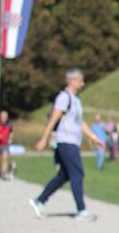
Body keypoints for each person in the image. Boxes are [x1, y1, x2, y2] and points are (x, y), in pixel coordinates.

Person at [30, 68, 106, 221]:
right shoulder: (64, 97)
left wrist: (93, 137)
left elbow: (80, 122)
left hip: (72, 142)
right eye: (80, 80)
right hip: (66, 142)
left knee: (64, 175)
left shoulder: (76, 100)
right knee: (78, 174)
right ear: (72, 80)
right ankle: (81, 210)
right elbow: (54, 118)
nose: (83, 84)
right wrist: (44, 138)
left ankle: (40, 201)